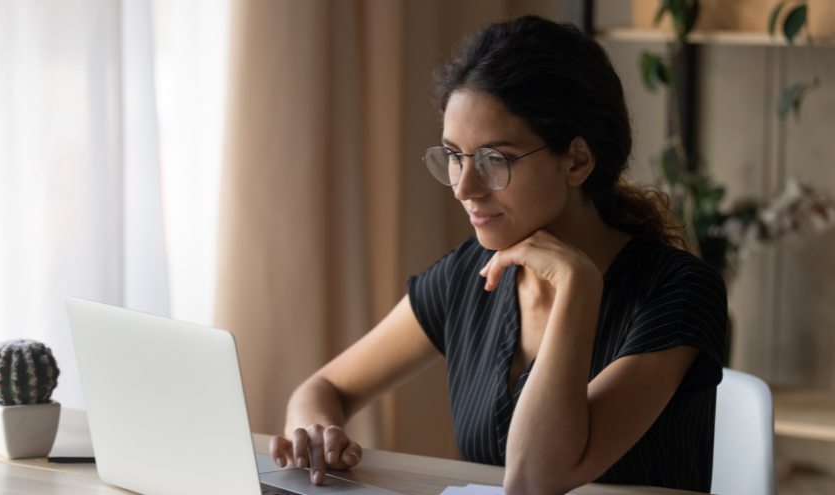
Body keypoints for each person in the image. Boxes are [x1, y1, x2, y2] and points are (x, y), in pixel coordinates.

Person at [270, 15, 727, 494]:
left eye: (495, 159)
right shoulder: (469, 272)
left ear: (576, 160)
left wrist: (577, 285)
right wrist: (317, 432)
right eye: (454, 156)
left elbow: (536, 478)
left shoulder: (679, 291)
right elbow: (324, 388)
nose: (463, 188)